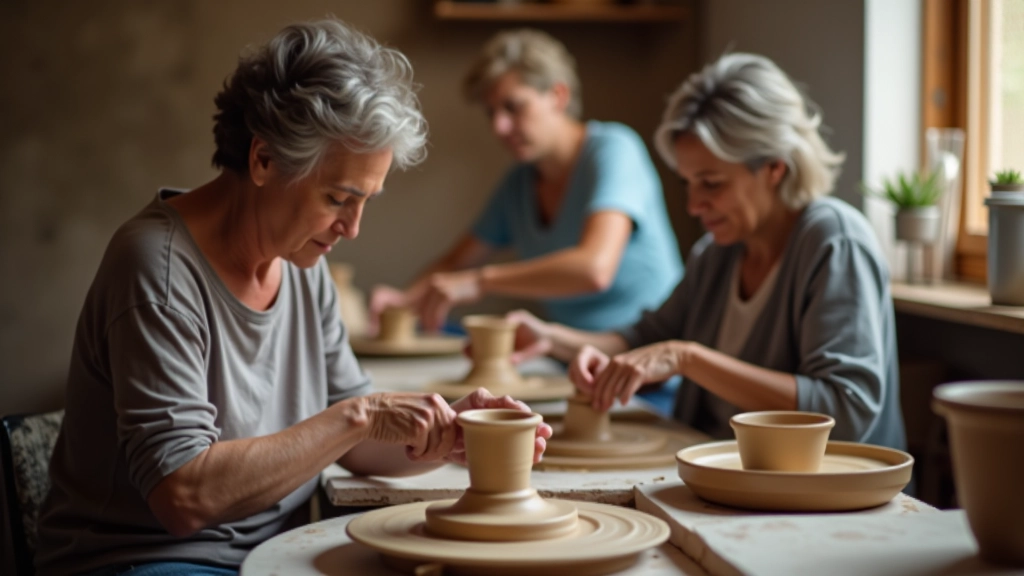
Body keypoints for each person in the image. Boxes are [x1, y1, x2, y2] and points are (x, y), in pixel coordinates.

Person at [35, 20, 549, 576]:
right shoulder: (156, 269)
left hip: (269, 555)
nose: (352, 228)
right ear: (263, 160)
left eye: (366, 201)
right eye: (338, 198)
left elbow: (356, 444)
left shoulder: (302, 263)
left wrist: (451, 434)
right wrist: (362, 414)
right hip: (146, 561)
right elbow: (185, 497)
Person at [504, 53, 906, 450]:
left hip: (824, 502)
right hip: (729, 477)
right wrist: (551, 338)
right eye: (688, 184)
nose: (694, 206)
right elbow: (646, 342)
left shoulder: (835, 242)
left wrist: (688, 358)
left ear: (774, 168)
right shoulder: (717, 254)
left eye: (712, 183)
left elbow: (846, 411)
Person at [369, 28, 683, 338]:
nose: (499, 127)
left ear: (558, 96)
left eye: (513, 107)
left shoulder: (615, 149)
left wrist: (480, 282)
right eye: (491, 112)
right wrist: (405, 300)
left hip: (644, 360)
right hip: (569, 357)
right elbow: (456, 263)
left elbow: (594, 270)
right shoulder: (519, 184)